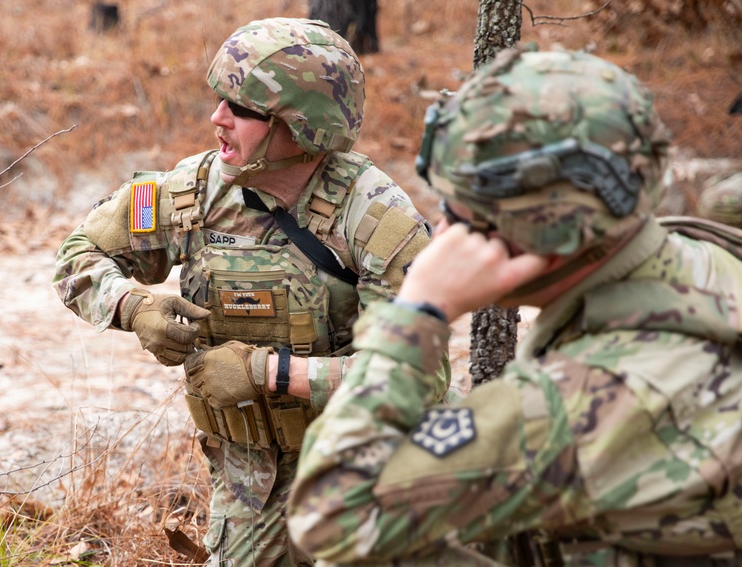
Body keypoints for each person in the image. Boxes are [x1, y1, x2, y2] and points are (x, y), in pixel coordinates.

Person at [286, 45, 742, 566]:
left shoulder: (579, 403)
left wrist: (417, 315)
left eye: (461, 215)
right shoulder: (707, 259)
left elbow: (329, 515)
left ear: (543, 235)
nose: (445, 234)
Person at [52, 17, 444, 567]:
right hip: (250, 484)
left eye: (242, 109)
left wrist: (269, 373)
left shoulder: (376, 221)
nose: (218, 119)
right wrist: (133, 306)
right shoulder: (193, 192)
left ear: (301, 127)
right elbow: (77, 258)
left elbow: (416, 380)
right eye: (219, 100)